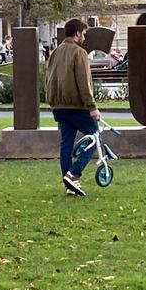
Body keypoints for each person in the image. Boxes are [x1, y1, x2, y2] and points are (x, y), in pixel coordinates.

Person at [45, 19, 101, 197]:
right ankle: (74, 173)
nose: (84, 38)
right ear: (77, 33)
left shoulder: (55, 52)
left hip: (59, 106)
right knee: (95, 136)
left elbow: (49, 78)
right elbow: (84, 82)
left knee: (66, 144)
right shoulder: (79, 53)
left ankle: (69, 185)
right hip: (76, 106)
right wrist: (92, 106)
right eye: (83, 34)